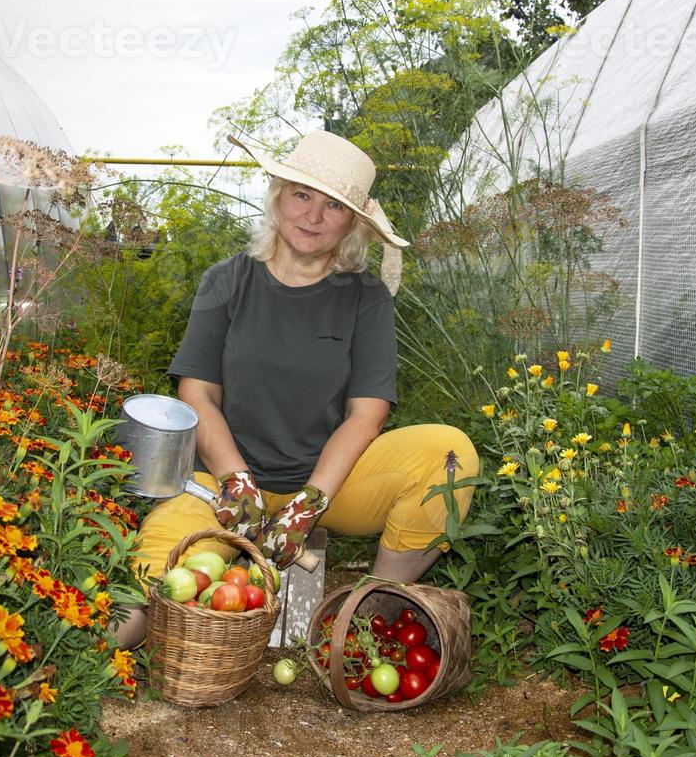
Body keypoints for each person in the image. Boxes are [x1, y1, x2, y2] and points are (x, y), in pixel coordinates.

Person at [112, 130, 478, 647]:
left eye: (334, 205)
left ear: (352, 223)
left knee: (449, 453)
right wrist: (237, 483)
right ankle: (75, 657)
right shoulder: (226, 280)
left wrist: (309, 503)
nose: (313, 215)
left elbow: (366, 416)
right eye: (301, 195)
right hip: (220, 483)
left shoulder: (365, 298)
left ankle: (371, 606)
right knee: (153, 581)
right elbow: (197, 395)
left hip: (332, 486)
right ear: (277, 197)